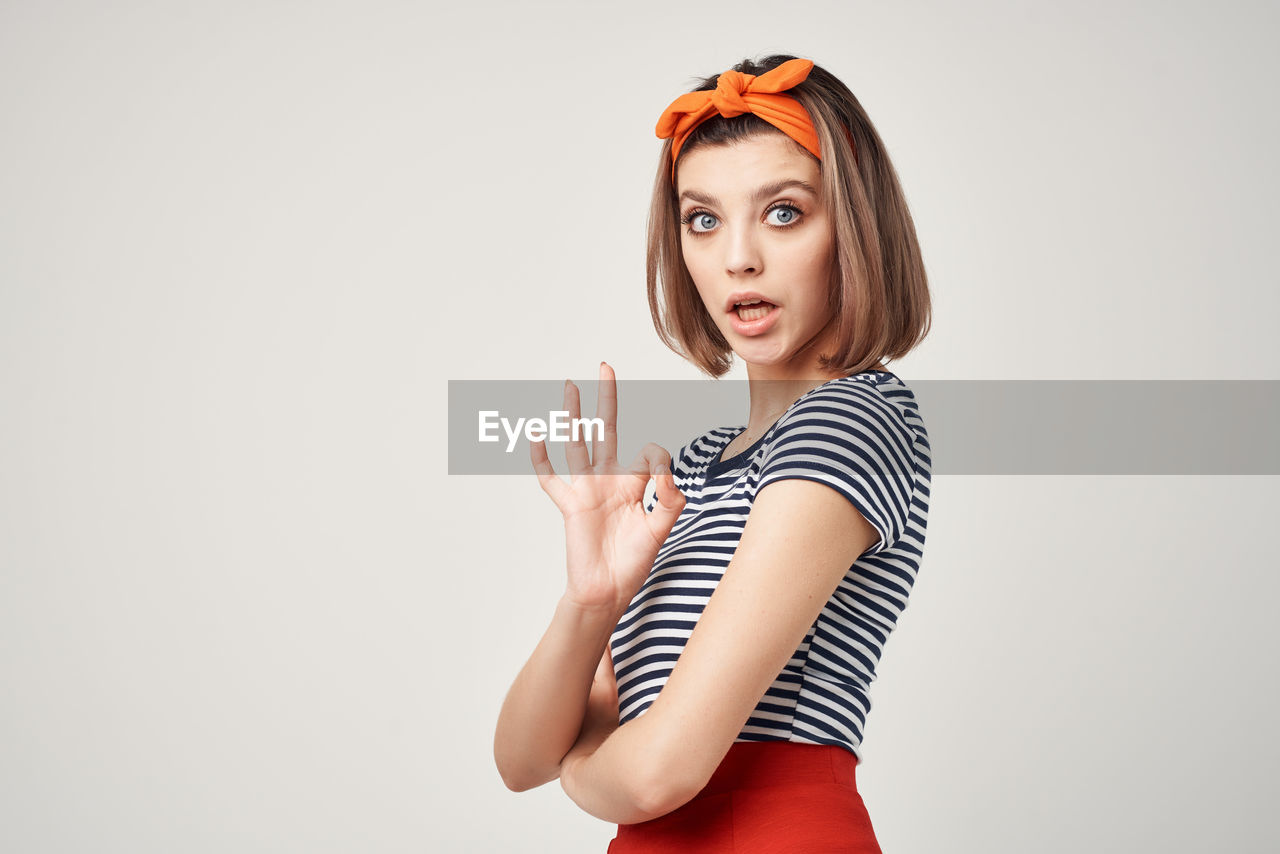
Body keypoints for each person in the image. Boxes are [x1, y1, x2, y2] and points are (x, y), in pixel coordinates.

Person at [494, 53, 932, 853]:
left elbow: (659, 772)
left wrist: (584, 758)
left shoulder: (853, 420)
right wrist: (592, 600)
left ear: (854, 228)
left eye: (785, 213)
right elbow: (521, 759)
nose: (738, 258)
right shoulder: (693, 468)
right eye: (703, 219)